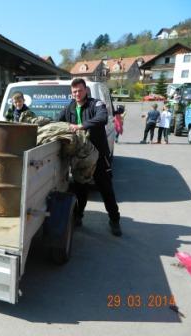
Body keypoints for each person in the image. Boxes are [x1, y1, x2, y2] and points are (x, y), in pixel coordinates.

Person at [58, 78, 121, 236]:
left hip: (98, 156)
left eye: (80, 90)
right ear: (71, 93)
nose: (77, 94)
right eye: (74, 92)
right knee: (80, 189)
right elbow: (58, 123)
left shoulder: (96, 104)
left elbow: (102, 118)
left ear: (85, 90)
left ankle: (114, 220)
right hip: (80, 157)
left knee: (106, 189)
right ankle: (79, 216)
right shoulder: (69, 108)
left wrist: (81, 126)